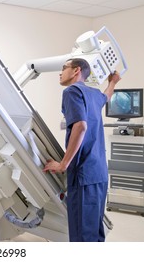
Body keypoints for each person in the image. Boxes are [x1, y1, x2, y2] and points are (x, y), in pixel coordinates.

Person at [43, 58, 121, 242]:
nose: (60, 72)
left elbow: (80, 126)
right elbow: (107, 96)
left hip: (83, 175)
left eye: (64, 68)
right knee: (95, 232)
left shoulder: (71, 91)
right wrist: (113, 82)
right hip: (99, 174)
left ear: (76, 70)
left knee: (81, 237)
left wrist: (63, 164)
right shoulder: (94, 94)